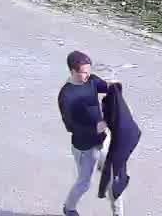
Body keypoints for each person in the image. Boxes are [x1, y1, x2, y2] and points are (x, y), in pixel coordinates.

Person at [57, 52, 107, 216]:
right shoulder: (66, 95)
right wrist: (95, 128)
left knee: (110, 164)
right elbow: (71, 126)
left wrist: (114, 86)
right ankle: (69, 208)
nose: (87, 75)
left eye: (88, 71)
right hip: (84, 146)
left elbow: (104, 87)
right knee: (84, 183)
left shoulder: (91, 80)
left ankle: (102, 166)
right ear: (72, 71)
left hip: (101, 139)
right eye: (83, 72)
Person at [96, 80, 142, 216]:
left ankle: (117, 212)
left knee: (112, 181)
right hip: (117, 146)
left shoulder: (103, 107)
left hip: (106, 148)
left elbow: (99, 129)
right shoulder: (122, 107)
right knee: (115, 180)